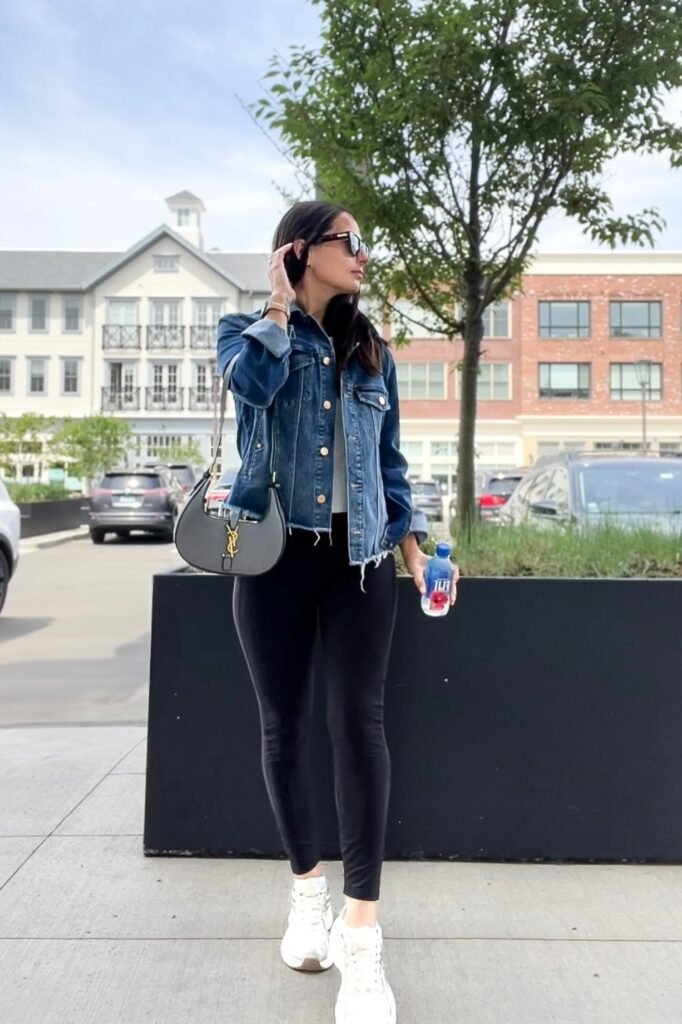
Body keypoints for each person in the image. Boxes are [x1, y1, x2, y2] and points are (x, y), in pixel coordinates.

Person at [216, 200, 459, 1024]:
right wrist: (278, 308)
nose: (363, 255)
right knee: (283, 727)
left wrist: (419, 552)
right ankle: (305, 896)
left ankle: (363, 938)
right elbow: (250, 389)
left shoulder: (371, 352)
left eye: (364, 244)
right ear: (300, 250)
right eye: (347, 242)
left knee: (359, 727)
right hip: (274, 554)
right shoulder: (244, 334)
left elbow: (391, 465)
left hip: (360, 563)